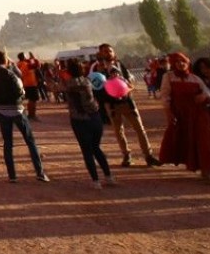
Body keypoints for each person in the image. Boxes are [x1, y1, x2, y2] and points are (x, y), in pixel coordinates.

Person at [0, 51, 49, 182]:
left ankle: (12, 176)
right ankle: (40, 172)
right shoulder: (10, 74)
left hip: (1, 110)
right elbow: (19, 91)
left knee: (8, 143)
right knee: (30, 141)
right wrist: (22, 93)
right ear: (5, 60)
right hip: (17, 109)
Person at [89, 43, 161, 168]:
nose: (108, 53)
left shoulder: (119, 65)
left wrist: (127, 86)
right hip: (112, 105)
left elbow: (129, 80)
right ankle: (126, 156)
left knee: (140, 129)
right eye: (104, 51)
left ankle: (148, 156)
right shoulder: (96, 68)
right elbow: (96, 87)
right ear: (100, 54)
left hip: (127, 102)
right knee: (119, 131)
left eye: (109, 51)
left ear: (114, 52)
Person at [158, 51, 210, 185]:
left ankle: (209, 171)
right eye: (177, 62)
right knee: (184, 141)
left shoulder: (195, 78)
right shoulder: (169, 77)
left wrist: (204, 97)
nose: (180, 64)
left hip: (199, 116)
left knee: (204, 142)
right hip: (181, 116)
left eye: (183, 61)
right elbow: (165, 96)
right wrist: (169, 114)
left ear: (188, 62)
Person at [64, 58, 115, 189]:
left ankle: (95, 180)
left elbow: (55, 88)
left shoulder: (68, 84)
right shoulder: (88, 81)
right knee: (96, 147)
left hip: (79, 120)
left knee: (87, 151)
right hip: (95, 117)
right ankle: (108, 176)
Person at [16, 54, 41, 121]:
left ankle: (31, 115)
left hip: (25, 83)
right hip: (31, 84)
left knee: (30, 100)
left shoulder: (19, 64)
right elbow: (37, 65)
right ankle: (32, 115)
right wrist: (33, 58)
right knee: (33, 100)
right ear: (24, 57)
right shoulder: (25, 64)